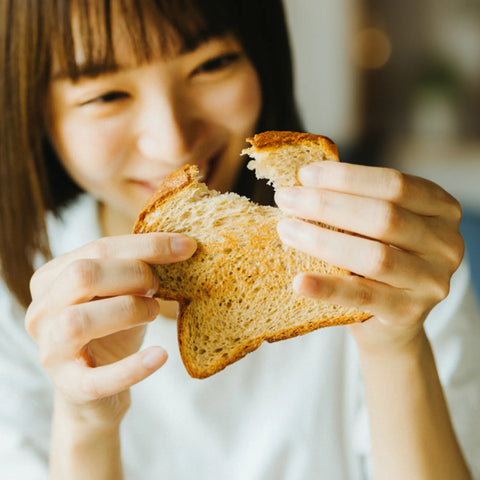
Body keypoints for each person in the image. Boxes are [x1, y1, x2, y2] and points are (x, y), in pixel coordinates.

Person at [0, 0, 479, 478]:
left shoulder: (392, 260)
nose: (173, 143)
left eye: (212, 64)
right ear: (36, 111)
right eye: (106, 96)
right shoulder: (16, 299)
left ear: (261, 57)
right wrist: (85, 419)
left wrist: (395, 346)